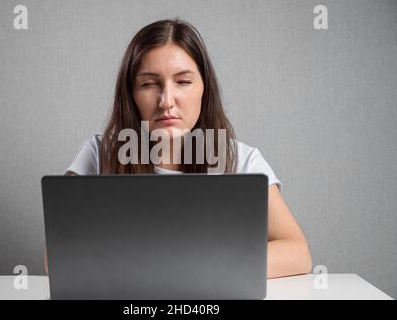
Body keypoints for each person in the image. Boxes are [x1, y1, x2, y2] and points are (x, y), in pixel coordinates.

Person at [46, 19, 312, 279]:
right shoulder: (98, 154)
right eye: (149, 84)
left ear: (203, 90)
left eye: (183, 82)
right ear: (131, 95)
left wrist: (190, 265)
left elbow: (297, 253)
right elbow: (56, 257)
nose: (166, 101)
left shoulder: (241, 159)